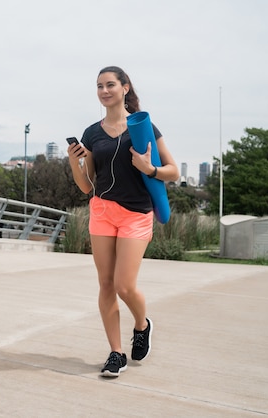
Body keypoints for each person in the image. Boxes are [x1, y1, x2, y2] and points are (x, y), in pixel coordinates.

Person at [67, 66, 179, 377]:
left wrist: (149, 168)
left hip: (135, 213)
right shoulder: (92, 133)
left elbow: (174, 171)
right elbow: (86, 184)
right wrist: (72, 160)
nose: (104, 91)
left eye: (110, 84)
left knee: (124, 285)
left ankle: (142, 325)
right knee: (105, 284)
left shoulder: (143, 128)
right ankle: (116, 353)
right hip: (102, 211)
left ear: (125, 88)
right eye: (99, 86)